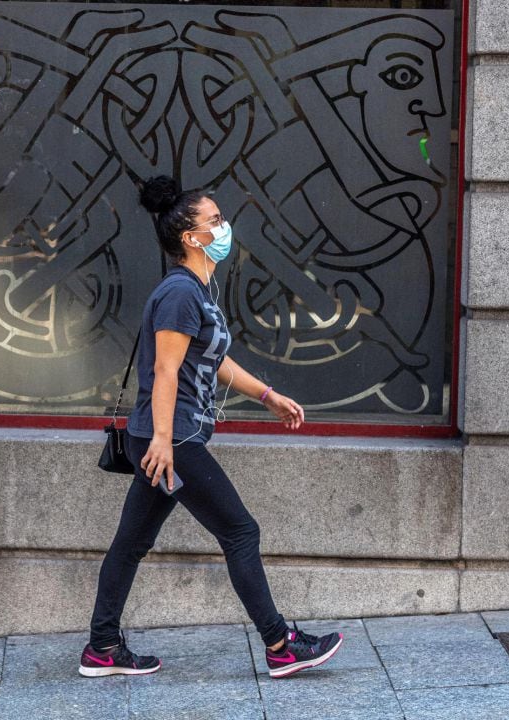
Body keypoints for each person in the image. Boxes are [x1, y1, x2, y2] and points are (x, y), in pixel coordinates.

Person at [79, 176, 343, 680]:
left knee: (130, 544)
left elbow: (215, 359)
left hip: (162, 436)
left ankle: (102, 648)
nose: (224, 228)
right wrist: (162, 441)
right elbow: (165, 370)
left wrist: (267, 396)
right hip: (170, 438)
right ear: (191, 238)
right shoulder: (181, 292)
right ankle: (281, 644)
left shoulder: (196, 290)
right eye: (214, 221)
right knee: (240, 531)